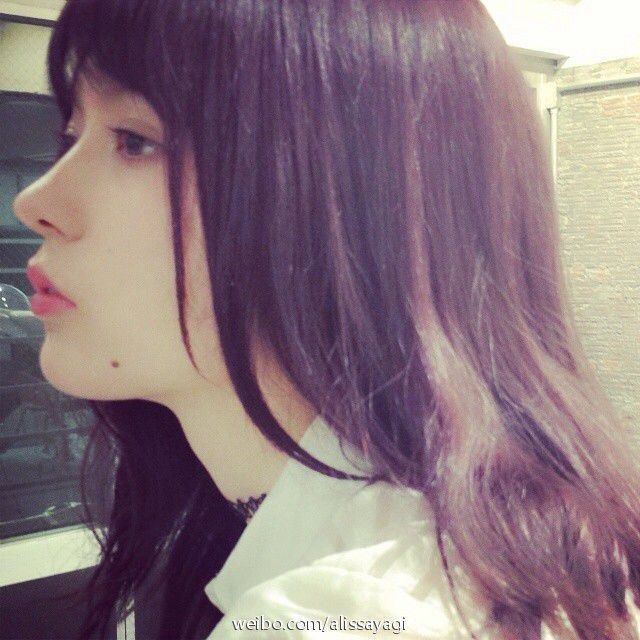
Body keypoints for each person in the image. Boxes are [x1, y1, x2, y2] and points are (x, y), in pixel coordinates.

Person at [12, 0, 640, 638]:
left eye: (135, 140)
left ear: (351, 204)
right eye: (71, 137)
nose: (35, 201)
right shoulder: (494, 545)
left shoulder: (338, 617)